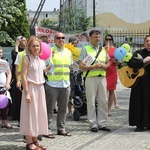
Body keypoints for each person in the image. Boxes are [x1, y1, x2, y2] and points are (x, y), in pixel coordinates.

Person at [78, 30, 111, 132]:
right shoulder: (85, 49)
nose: (98, 39)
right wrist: (94, 66)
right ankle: (93, 124)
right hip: (90, 77)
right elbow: (81, 66)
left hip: (102, 77)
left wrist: (105, 66)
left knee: (103, 101)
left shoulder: (103, 49)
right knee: (91, 101)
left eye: (99, 37)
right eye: (95, 37)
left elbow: (109, 61)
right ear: (90, 38)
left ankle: (102, 123)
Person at [20, 36, 48, 150]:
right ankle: (29, 142)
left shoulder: (40, 60)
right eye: (33, 46)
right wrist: (26, 92)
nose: (36, 48)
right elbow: (24, 76)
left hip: (40, 88)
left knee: (38, 114)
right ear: (29, 47)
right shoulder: (27, 58)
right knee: (30, 115)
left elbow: (39, 72)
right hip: (31, 88)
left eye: (37, 45)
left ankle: (35, 140)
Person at [44, 32, 73, 137]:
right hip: (52, 83)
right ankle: (46, 129)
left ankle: (61, 128)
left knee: (63, 108)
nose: (61, 40)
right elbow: (45, 65)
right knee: (49, 108)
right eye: (58, 38)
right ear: (54, 40)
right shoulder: (50, 51)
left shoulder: (68, 52)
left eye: (63, 38)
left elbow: (70, 66)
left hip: (65, 83)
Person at [128, 35, 150, 132]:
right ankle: (139, 124)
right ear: (144, 43)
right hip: (139, 83)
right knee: (139, 103)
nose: (149, 43)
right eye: (147, 41)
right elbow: (131, 63)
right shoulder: (138, 53)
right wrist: (143, 61)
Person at [10, 36, 27, 122]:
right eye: (22, 41)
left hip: (27, 78)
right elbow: (15, 58)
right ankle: (17, 116)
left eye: (25, 40)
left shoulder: (28, 52)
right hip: (18, 78)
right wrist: (16, 46)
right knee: (18, 98)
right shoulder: (17, 52)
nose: (24, 42)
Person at [104, 34, 120, 116]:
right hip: (104, 72)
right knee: (103, 91)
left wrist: (116, 61)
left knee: (111, 91)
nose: (108, 41)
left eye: (110, 39)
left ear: (112, 41)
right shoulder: (102, 49)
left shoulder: (115, 50)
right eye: (106, 39)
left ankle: (108, 109)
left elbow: (118, 62)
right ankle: (102, 109)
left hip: (112, 71)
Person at [0, 47, 12, 129]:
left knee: (4, 104)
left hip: (3, 86)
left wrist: (7, 83)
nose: (0, 54)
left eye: (1, 52)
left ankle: (4, 122)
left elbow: (9, 73)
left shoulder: (4, 63)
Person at [67, 36, 79, 117]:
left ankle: (76, 109)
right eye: (73, 43)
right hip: (70, 74)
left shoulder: (79, 52)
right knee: (70, 93)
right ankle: (69, 111)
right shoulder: (67, 52)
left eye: (76, 43)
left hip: (78, 74)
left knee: (77, 92)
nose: (75, 45)